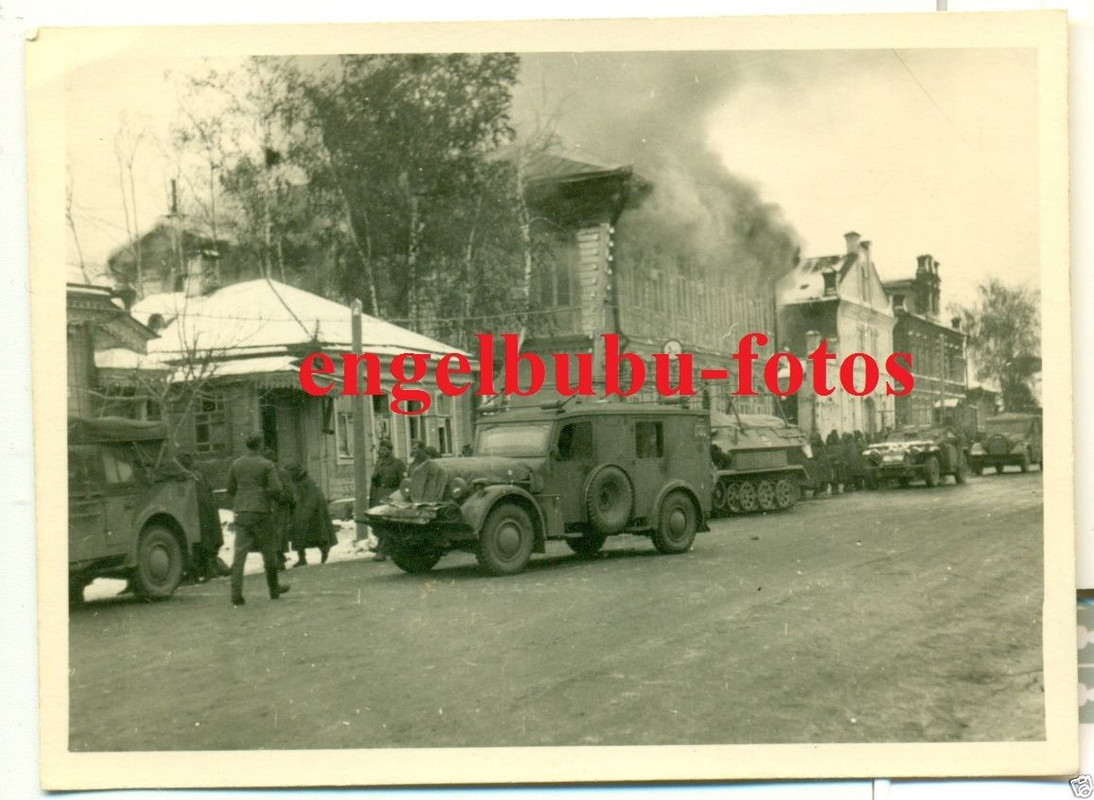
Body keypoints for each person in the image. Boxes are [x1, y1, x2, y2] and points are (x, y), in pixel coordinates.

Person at [227, 434, 290, 606]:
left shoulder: (236, 464)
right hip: (261, 512)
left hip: (241, 512)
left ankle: (236, 594)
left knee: (239, 555)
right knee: (269, 553)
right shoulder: (266, 464)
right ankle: (273, 589)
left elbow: (230, 489)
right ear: (260, 445)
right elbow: (276, 489)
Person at [178, 452, 224, 581]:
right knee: (207, 541)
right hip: (208, 513)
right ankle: (209, 570)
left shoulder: (187, 478)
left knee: (201, 542)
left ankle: (202, 572)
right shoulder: (198, 475)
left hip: (199, 514)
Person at [286, 463, 338, 567]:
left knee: (318, 534)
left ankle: (324, 552)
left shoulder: (307, 481)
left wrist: (306, 510)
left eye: (291, 472)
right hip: (300, 511)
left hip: (313, 513)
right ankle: (302, 558)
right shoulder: (296, 481)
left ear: (296, 471)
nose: (289, 474)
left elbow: (313, 497)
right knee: (299, 535)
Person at [368, 440, 407, 562]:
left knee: (387, 523)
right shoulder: (379, 463)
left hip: (392, 496)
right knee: (378, 522)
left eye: (384, 449)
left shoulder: (398, 464)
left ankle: (383, 550)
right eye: (380, 449)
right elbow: (375, 482)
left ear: (390, 450)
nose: (381, 451)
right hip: (379, 495)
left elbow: (404, 482)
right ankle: (381, 544)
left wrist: (400, 498)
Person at [264, 448, 294, 571]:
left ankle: (278, 560)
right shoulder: (266, 473)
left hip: (279, 508)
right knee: (273, 534)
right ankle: (278, 558)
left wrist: (276, 498)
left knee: (278, 534)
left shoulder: (281, 473)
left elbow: (288, 492)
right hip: (269, 508)